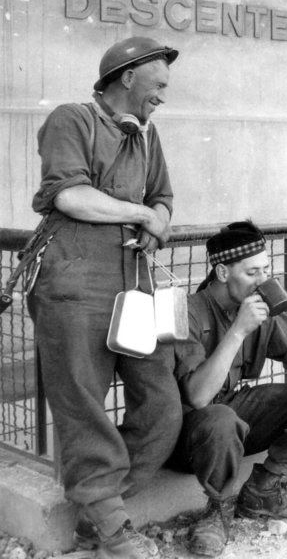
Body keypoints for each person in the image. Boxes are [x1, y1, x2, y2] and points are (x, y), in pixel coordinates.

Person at [27, 36, 183, 559]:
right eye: (158, 85)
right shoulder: (71, 119)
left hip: (132, 286)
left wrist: (157, 220)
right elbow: (71, 196)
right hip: (73, 287)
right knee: (85, 408)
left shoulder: (147, 134)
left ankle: (99, 512)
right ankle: (113, 530)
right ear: (127, 77)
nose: (163, 95)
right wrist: (140, 214)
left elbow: (162, 197)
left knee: (162, 406)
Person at [171, 222, 287, 557]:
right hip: (191, 433)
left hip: (234, 416)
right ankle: (218, 508)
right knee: (220, 416)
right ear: (222, 272)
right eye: (253, 272)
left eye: (266, 270)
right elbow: (197, 397)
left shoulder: (259, 305)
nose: (263, 280)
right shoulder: (190, 311)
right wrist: (238, 331)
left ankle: (263, 489)